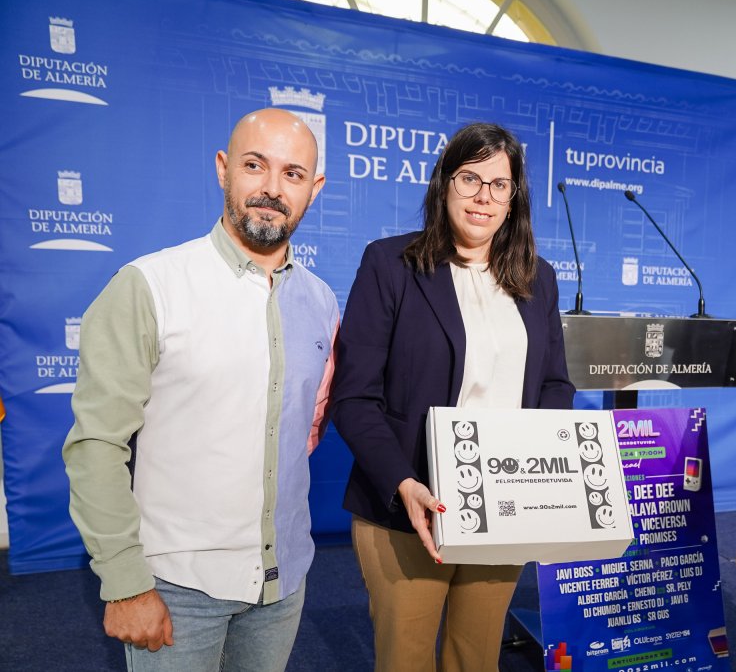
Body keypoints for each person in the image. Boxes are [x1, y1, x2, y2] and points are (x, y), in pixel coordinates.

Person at [62, 108, 337, 671]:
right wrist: (124, 584)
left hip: (282, 586)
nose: (270, 188)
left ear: (315, 187)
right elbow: (96, 446)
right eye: (254, 165)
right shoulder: (149, 287)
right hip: (176, 589)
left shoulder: (322, 302)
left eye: (292, 173)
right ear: (222, 169)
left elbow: (300, 432)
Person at [331, 122, 574, 672]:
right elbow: (354, 396)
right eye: (470, 179)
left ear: (514, 200)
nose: (484, 197)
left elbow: (555, 384)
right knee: (406, 659)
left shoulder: (539, 278)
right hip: (411, 504)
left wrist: (545, 472)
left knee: (475, 658)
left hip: (504, 504)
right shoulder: (391, 265)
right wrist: (401, 481)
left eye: (499, 184)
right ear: (444, 185)